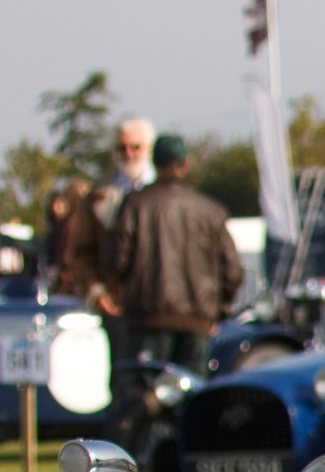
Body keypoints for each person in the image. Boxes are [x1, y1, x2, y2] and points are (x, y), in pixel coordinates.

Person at [103, 133, 242, 372]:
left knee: (142, 390)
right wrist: (218, 311)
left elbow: (116, 261)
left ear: (154, 162)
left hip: (146, 320)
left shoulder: (135, 204)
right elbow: (233, 271)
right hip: (197, 321)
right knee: (191, 389)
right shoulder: (210, 210)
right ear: (185, 163)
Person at [47, 178, 109, 307]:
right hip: (79, 287)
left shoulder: (78, 221)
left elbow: (67, 257)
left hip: (81, 286)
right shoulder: (71, 222)